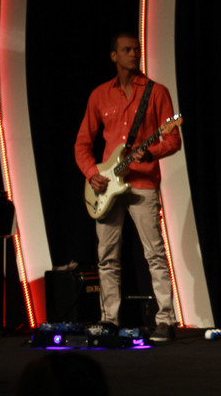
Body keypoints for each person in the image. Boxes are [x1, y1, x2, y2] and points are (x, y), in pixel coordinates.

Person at [74, 33, 180, 342]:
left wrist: (152, 151)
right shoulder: (99, 95)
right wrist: (92, 173)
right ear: (114, 56)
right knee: (107, 257)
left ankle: (166, 320)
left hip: (143, 182)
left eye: (136, 49)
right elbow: (82, 144)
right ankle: (110, 320)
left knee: (155, 254)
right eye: (127, 50)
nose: (134, 54)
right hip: (107, 187)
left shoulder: (156, 92)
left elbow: (173, 138)